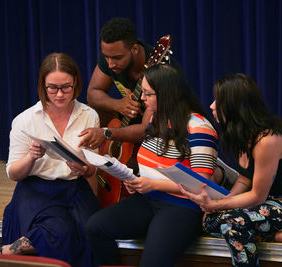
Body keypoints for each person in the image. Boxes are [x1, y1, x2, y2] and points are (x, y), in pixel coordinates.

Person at [179, 73, 282, 267]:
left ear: (234, 106)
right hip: (274, 203)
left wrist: (217, 204)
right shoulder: (244, 134)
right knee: (210, 221)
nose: (212, 106)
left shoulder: (267, 141)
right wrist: (220, 202)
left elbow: (257, 196)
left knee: (233, 223)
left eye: (218, 100)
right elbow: (244, 180)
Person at [84, 64, 219, 267]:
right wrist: (136, 182)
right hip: (148, 199)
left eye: (148, 93)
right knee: (94, 227)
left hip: (182, 206)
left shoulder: (199, 127)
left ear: (166, 95)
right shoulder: (157, 117)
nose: (142, 98)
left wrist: (153, 185)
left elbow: (201, 186)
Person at [0, 52, 100, 267]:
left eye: (66, 87)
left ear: (76, 83)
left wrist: (85, 169)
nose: (60, 94)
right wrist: (31, 157)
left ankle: (16, 247)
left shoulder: (89, 115)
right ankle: (10, 250)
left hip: (74, 188)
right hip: (36, 190)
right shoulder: (25, 120)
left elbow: (93, 168)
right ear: (42, 86)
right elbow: (13, 173)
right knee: (59, 231)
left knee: (91, 229)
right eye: (52, 87)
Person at [78, 17, 177, 149]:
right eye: (106, 57)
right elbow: (93, 93)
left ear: (135, 49)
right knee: (89, 111)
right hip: (129, 120)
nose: (110, 64)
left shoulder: (161, 69)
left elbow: (146, 129)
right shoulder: (111, 54)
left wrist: (107, 133)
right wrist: (117, 104)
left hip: (159, 130)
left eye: (117, 58)